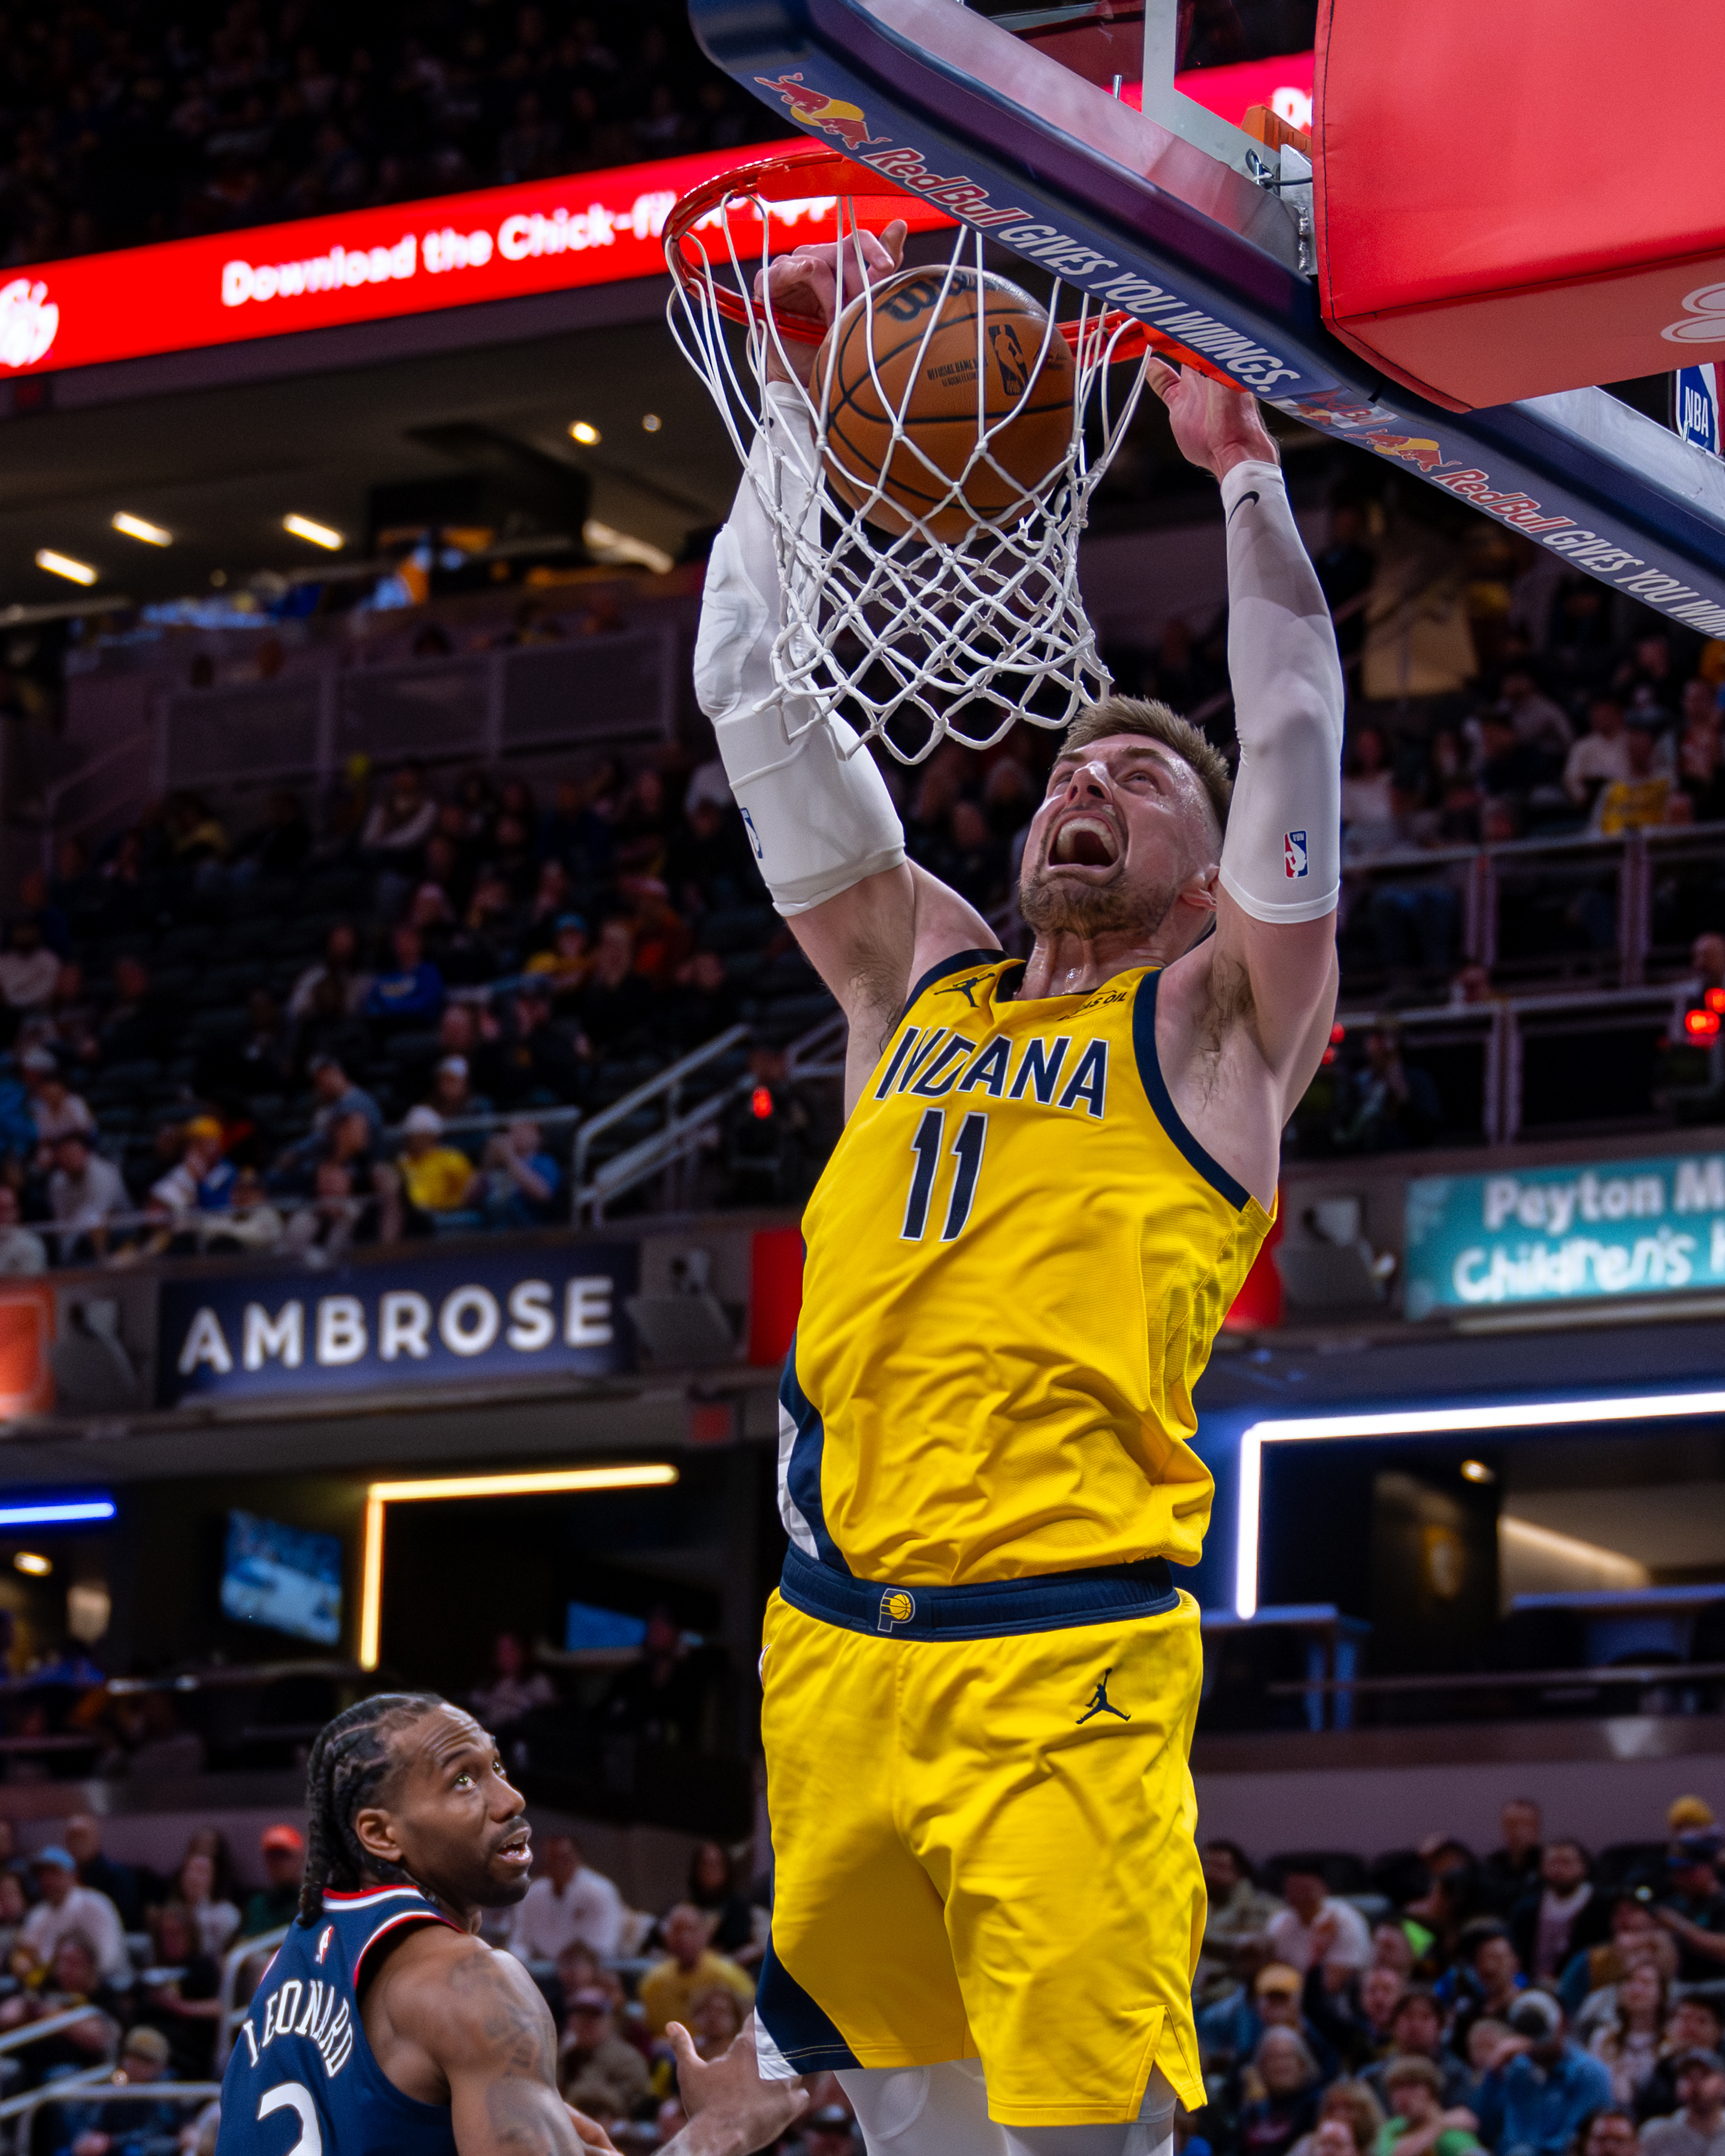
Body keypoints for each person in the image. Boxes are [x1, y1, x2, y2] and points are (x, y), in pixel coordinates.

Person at [696, 210, 1344, 2153]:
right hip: (832, 1661)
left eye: (1148, 781)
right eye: (1080, 765)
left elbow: (1297, 725)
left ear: (1211, 872)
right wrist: (803, 421)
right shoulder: (919, 985)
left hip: (1062, 1666)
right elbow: (755, 694)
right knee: (911, 2142)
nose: (1095, 780)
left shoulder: (1221, 1026)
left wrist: (1243, 481)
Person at [212, 1692, 804, 2156]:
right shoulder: (475, 1983)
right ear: (380, 1833)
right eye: (463, 1780)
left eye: (497, 1766)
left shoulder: (278, 1980)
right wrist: (719, 2132)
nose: (511, 1798)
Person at [1473, 1993, 1612, 2156]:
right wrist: (1494, 2074)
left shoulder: (1589, 2073)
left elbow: (1576, 2140)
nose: (1532, 2040)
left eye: (1536, 2029)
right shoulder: (1515, 2069)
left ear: (1561, 2025)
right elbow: (1483, 2131)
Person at [638, 1904, 756, 2039]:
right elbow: (652, 2032)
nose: (684, 1938)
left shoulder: (730, 1977)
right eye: (677, 1931)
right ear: (666, 1936)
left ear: (704, 1934)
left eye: (690, 1930)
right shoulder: (653, 1983)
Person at [507, 1834, 628, 1963]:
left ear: (578, 1859)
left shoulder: (600, 1891)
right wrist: (514, 1964)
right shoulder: (532, 1893)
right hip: (544, 1972)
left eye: (564, 1859)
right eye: (552, 1860)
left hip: (592, 1971)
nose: (558, 1865)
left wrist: (571, 1966)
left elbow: (603, 1947)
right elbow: (520, 1942)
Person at [21, 1843, 128, 1982]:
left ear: (73, 1875)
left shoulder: (95, 1904)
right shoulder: (37, 1914)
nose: (47, 1880)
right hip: (55, 1988)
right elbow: (29, 1956)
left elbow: (109, 1960)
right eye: (42, 1874)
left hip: (107, 1986)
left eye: (54, 1873)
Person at [1267, 1866, 1373, 1989]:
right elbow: (1274, 1980)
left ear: (1324, 1888)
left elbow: (1331, 1986)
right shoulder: (1279, 1924)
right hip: (1291, 1996)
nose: (1299, 1893)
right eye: (1293, 1887)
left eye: (1305, 1887)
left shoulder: (1346, 1921)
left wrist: (1317, 1955)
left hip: (1338, 2000)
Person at [559, 1985, 653, 2118]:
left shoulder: (627, 2058)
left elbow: (625, 2106)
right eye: (579, 2013)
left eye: (594, 2015)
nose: (585, 2022)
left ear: (610, 2021)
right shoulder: (563, 2055)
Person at [1587, 1960, 1668, 2107]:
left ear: (1662, 1993)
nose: (1636, 1989)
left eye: (1645, 1983)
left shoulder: (1670, 2043)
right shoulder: (1603, 2038)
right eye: (1629, 1981)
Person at [1238, 2027, 1322, 2156]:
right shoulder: (1250, 2106)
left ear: (1302, 2063)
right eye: (1273, 2058)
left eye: (1287, 2057)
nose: (1280, 2065)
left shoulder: (1316, 2105)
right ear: (1261, 2066)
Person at [1375, 2058, 1482, 2156]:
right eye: (1395, 2089)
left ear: (1431, 2090)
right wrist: (1439, 2126)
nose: (1401, 2096)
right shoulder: (1393, 2128)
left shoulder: (1450, 2136)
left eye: (1411, 2086)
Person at [63, 1815, 142, 1932]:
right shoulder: (62, 1879)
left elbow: (125, 1918)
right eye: (72, 1838)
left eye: (82, 1836)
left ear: (96, 1839)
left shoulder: (118, 1875)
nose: (77, 1843)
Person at [1641, 2049, 1725, 2156]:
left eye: (1704, 2075)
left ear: (1723, 2082)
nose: (1695, 2083)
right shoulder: (1657, 2133)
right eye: (1687, 2076)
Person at [238, 1825, 305, 1938]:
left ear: (301, 1858)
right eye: (272, 1856)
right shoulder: (259, 1903)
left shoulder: (315, 1901)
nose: (277, 1863)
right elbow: (248, 1943)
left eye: (283, 1855)